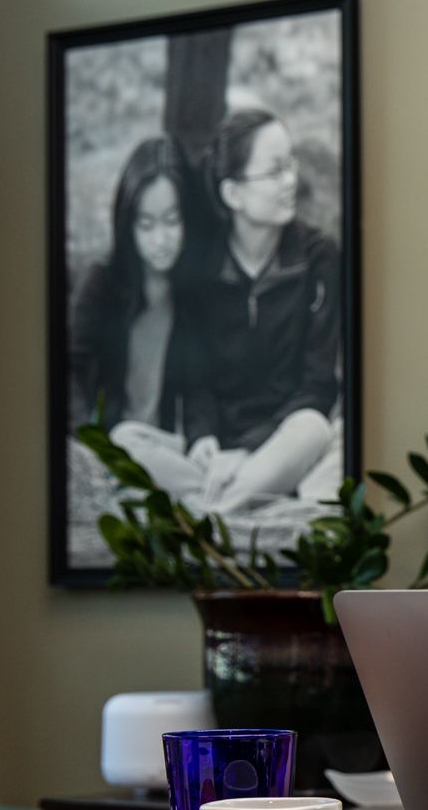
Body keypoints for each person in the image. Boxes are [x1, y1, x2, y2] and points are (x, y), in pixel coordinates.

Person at [185, 107, 345, 516]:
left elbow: (319, 385)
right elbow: (196, 378)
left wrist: (249, 451)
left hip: (287, 437)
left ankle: (211, 518)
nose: (291, 181)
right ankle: (262, 501)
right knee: (133, 439)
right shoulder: (203, 267)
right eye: (275, 172)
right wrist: (201, 436)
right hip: (222, 452)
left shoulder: (318, 257)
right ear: (233, 194)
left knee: (316, 428)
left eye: (290, 164)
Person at [67, 136, 203, 496]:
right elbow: (69, 369)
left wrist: (206, 438)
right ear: (127, 226)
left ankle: (203, 487)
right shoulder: (102, 285)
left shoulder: (193, 291)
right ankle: (210, 492)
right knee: (126, 440)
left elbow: (205, 386)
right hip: (117, 443)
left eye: (172, 222)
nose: (161, 239)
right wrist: (89, 441)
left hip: (172, 445)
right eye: (147, 226)